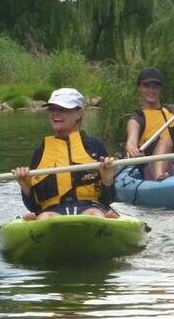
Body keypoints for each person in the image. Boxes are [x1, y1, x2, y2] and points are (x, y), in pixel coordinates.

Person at [12, 88, 118, 221]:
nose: (56, 114)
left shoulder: (95, 147)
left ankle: (104, 218)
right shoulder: (40, 152)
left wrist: (107, 181)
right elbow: (33, 206)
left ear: (78, 113)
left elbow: (109, 199)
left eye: (63, 109)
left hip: (91, 207)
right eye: (52, 109)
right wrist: (26, 188)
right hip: (51, 211)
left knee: (95, 214)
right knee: (45, 216)